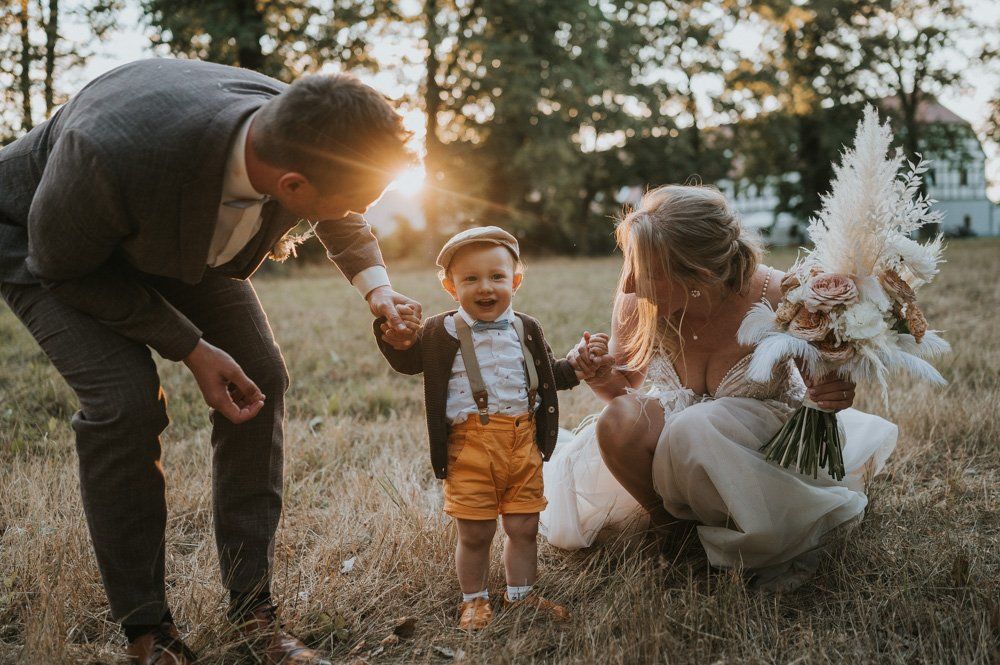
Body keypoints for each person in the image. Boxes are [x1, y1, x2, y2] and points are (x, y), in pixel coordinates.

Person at [0, 58, 421, 664]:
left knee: (261, 376)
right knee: (124, 403)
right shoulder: (110, 151)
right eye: (354, 197)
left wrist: (376, 289)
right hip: (50, 242)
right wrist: (192, 348)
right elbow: (62, 266)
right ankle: (149, 631)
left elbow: (340, 204)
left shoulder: (298, 121)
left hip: (179, 234)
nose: (358, 207)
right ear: (293, 187)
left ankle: (253, 614)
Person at [541, 185, 897, 591]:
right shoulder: (637, 302)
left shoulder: (782, 296)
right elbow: (625, 389)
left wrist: (834, 395)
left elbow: (823, 392)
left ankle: (736, 530)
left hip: (758, 447)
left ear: (699, 275)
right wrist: (601, 375)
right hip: (679, 435)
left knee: (696, 426)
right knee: (619, 420)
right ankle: (672, 528)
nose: (628, 287)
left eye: (646, 273)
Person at [373, 226, 606, 629]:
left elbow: (547, 376)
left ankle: (522, 594)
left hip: (522, 442)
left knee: (524, 526)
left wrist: (579, 366)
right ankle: (474, 599)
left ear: (515, 281)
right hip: (470, 447)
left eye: (497, 277)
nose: (485, 287)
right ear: (450, 287)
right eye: (470, 279)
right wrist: (394, 336)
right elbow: (408, 362)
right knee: (476, 532)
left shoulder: (527, 328)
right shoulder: (439, 331)